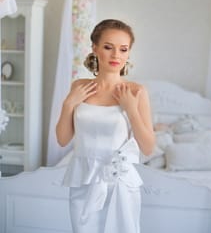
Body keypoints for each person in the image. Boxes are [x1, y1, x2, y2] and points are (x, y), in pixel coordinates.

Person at [56, 19, 155, 233]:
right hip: (83, 180)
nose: (116, 55)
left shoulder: (137, 92)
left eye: (123, 49)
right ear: (95, 48)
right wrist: (68, 104)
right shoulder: (79, 87)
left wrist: (130, 109)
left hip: (120, 184)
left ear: (129, 53)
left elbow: (148, 148)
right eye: (108, 47)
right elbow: (63, 140)